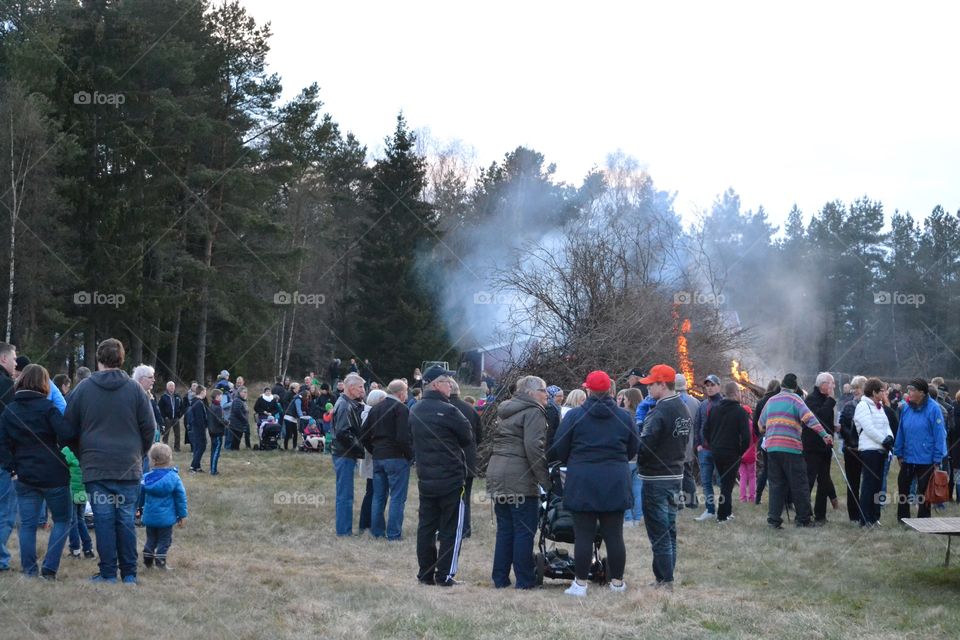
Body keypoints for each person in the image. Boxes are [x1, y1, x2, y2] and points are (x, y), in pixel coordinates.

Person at [64, 339, 155, 584]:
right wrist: (139, 452)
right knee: (124, 519)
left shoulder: (83, 389)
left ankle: (107, 573)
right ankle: (128, 574)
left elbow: (67, 429)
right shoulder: (135, 390)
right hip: (127, 465)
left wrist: (82, 453)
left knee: (103, 520)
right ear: (121, 359)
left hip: (96, 466)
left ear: (99, 360)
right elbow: (149, 428)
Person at [550, 370, 637, 596]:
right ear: (609, 389)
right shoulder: (625, 416)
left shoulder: (574, 416)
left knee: (584, 535)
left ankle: (580, 584)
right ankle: (617, 583)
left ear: (588, 389)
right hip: (615, 480)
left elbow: (560, 447)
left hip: (583, 480)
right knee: (614, 535)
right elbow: (633, 449)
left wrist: (577, 461)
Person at [0, 364, 73, 579]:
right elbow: (66, 433)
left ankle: (30, 571)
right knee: (62, 520)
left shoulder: (9, 411)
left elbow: (2, 444)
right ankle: (49, 569)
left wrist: (12, 466)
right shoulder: (48, 408)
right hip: (54, 474)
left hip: (25, 474)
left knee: (28, 525)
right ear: (44, 383)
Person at [410, 366, 474, 587]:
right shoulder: (449, 411)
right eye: (447, 381)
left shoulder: (415, 409)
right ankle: (445, 574)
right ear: (436, 384)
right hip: (451, 478)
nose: (451, 385)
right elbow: (467, 437)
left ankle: (425, 573)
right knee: (451, 528)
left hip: (426, 477)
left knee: (426, 527)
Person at [487, 375, 550, 589]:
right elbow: (534, 447)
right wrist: (546, 481)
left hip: (497, 472)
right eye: (544, 390)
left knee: (506, 529)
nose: (547, 395)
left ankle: (500, 578)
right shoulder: (533, 411)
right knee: (524, 530)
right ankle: (525, 580)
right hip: (519, 476)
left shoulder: (506, 410)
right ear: (531, 392)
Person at [635, 364, 689, 591]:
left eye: (651, 384)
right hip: (675, 475)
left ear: (662, 384)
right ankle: (664, 577)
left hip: (656, 478)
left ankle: (665, 581)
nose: (648, 388)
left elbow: (645, 447)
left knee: (659, 533)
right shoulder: (682, 408)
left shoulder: (659, 412)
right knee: (670, 529)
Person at [758, 373, 833, 529]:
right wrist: (825, 435)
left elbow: (760, 424)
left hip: (772, 448)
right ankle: (803, 519)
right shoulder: (796, 400)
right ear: (795, 387)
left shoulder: (771, 401)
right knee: (800, 483)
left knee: (776, 484)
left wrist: (771, 432)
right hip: (791, 448)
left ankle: (773, 520)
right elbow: (810, 419)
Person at [363, 379, 413, 540]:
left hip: (378, 456)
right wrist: (411, 456)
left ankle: (377, 532)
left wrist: (374, 449)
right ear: (400, 393)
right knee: (397, 497)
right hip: (397, 457)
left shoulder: (375, 408)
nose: (406, 395)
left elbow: (363, 434)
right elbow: (402, 438)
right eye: (406, 392)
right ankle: (393, 534)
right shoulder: (401, 409)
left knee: (378, 496)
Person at [894, 378, 948, 521]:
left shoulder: (934, 409)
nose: (908, 393)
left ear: (922, 392)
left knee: (924, 491)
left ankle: (924, 520)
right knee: (903, 487)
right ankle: (903, 518)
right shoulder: (905, 408)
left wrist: (937, 459)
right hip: (908, 457)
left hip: (927, 459)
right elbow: (901, 431)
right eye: (908, 389)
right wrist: (898, 452)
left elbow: (939, 435)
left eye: (912, 390)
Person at [704, 382, 751, 523]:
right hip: (731, 452)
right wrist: (741, 452)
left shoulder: (714, 409)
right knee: (727, 484)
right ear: (736, 393)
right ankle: (722, 516)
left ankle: (728, 512)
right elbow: (746, 436)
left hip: (716, 451)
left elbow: (706, 430)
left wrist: (712, 444)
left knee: (726, 482)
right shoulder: (741, 412)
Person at [141, 443, 188, 570]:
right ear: (169, 459)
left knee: (151, 538)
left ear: (152, 460)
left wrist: (138, 509)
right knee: (164, 540)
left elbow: (139, 495)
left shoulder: (145, 478)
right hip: (166, 518)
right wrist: (182, 515)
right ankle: (161, 563)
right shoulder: (173, 477)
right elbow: (180, 497)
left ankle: (147, 557)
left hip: (150, 516)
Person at [854, 378, 894, 527]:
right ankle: (864, 518)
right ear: (874, 392)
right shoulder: (863, 406)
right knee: (869, 485)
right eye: (882, 390)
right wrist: (884, 440)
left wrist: (890, 437)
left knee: (878, 485)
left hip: (881, 451)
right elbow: (868, 428)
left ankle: (874, 516)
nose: (884, 393)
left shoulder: (880, 406)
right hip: (869, 450)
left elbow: (886, 425)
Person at [331, 373, 366, 536]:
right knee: (345, 495)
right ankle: (344, 531)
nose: (363, 391)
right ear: (351, 388)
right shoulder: (345, 406)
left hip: (344, 453)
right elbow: (344, 433)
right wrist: (361, 449)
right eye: (360, 387)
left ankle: (344, 529)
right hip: (344, 454)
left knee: (345, 493)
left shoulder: (349, 403)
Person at [803, 372, 839, 524]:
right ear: (823, 384)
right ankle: (804, 513)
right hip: (812, 447)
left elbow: (826, 422)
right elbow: (819, 418)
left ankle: (821, 515)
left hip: (825, 446)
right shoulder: (811, 399)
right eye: (831, 383)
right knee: (810, 480)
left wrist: (834, 427)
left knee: (824, 481)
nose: (834, 386)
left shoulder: (824, 399)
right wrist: (831, 400)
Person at [450, 380, 482, 537]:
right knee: (465, 498)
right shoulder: (470, 409)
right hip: (467, 459)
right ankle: (464, 529)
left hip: (447, 461)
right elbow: (479, 435)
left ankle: (448, 528)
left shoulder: (442, 407)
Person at [693, 374, 723, 521]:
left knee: (721, 481)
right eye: (707, 385)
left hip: (719, 450)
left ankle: (725, 511)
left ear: (719, 386)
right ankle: (710, 510)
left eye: (712, 385)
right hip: (704, 450)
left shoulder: (724, 404)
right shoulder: (703, 404)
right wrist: (698, 444)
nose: (709, 388)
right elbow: (697, 425)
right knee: (705, 481)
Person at [358, 389, 387, 533]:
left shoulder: (369, 412)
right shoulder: (369, 414)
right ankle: (365, 522)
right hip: (371, 457)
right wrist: (375, 451)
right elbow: (366, 437)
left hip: (372, 456)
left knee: (372, 491)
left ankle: (367, 522)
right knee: (372, 491)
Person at [839, 376, 867, 523]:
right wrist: (852, 439)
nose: (855, 391)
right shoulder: (848, 405)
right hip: (851, 450)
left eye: (858, 387)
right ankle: (854, 515)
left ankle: (867, 512)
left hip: (868, 449)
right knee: (853, 483)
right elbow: (842, 426)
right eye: (853, 387)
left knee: (868, 483)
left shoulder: (872, 406)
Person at [0, 342, 17, 572]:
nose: (16, 363)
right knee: (4, 511)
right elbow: (11, 425)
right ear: (3, 359)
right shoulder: (5, 385)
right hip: (2, 458)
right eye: (14, 358)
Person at [62, 445, 94, 559]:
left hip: (72, 491)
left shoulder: (66, 451)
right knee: (81, 520)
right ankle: (88, 548)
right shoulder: (85, 451)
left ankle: (75, 549)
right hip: (82, 492)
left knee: (72, 522)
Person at [618, 388, 644, 526]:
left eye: (625, 398)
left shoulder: (622, 414)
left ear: (629, 399)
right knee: (637, 489)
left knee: (625, 489)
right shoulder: (644, 414)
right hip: (639, 456)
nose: (623, 401)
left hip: (625, 456)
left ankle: (627, 518)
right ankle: (638, 517)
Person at [675, 375, 701, 510]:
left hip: (675, 444)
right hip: (690, 444)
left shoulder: (671, 401)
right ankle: (692, 503)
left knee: (676, 475)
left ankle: (679, 504)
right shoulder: (696, 402)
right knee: (687, 472)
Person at [753, 379, 780, 505]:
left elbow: (755, 423)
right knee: (779, 470)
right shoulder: (779, 402)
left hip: (764, 439)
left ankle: (758, 496)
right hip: (778, 439)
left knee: (766, 468)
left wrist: (759, 436)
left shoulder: (761, 402)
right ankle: (780, 499)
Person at [158, 381, 184, 453]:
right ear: (167, 387)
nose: (172, 387)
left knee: (177, 434)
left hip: (176, 418)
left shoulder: (177, 396)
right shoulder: (163, 397)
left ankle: (177, 448)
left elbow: (182, 407)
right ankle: (164, 449)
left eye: (173, 386)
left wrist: (179, 415)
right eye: (170, 386)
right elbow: (160, 408)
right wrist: (164, 417)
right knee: (166, 434)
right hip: (167, 419)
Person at [187, 386, 208, 473]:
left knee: (197, 448)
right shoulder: (199, 403)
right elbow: (200, 418)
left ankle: (197, 466)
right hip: (198, 429)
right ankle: (193, 466)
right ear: (202, 392)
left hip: (194, 428)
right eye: (205, 391)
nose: (206, 393)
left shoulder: (194, 401)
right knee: (201, 447)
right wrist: (204, 428)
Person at [207, 388, 227, 475]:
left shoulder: (211, 406)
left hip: (212, 431)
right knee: (216, 452)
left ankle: (212, 468)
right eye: (221, 396)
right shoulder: (217, 407)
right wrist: (227, 422)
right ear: (217, 396)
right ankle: (213, 470)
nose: (222, 397)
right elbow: (220, 420)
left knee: (213, 451)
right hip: (217, 432)